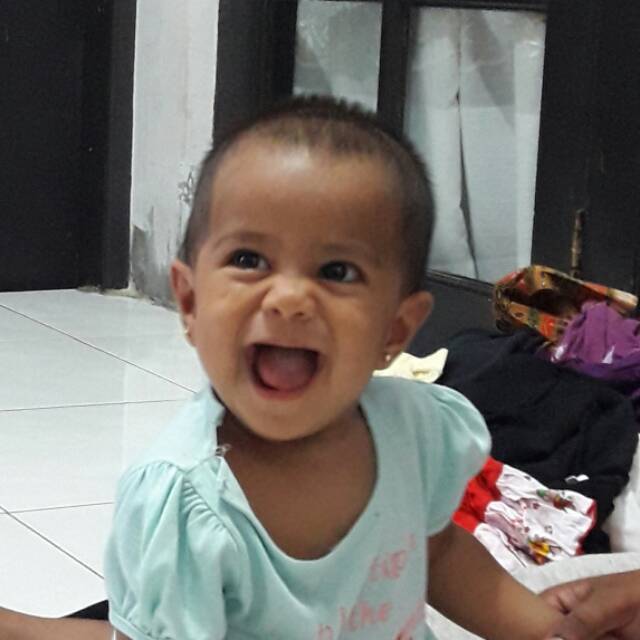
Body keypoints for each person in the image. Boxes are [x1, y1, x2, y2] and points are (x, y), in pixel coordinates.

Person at [0, 95, 633, 640]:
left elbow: (440, 555)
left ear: (395, 330)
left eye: (336, 270)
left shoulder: (417, 433)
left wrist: (544, 627)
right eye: (249, 259)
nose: (288, 297)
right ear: (190, 304)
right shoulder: (185, 503)